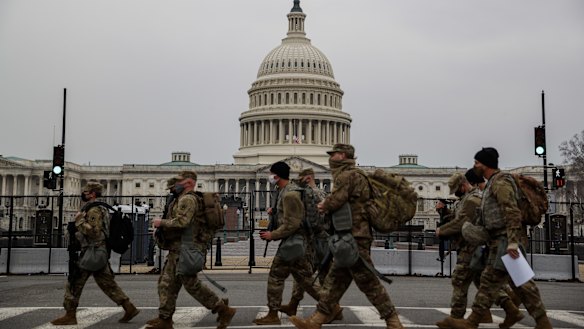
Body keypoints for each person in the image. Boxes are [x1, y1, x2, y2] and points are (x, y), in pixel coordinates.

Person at [290, 144, 403, 329]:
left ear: (342, 155)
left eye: (333, 154)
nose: (330, 157)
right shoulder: (359, 175)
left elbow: (337, 200)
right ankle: (316, 321)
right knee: (334, 282)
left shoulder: (345, 176)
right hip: (352, 236)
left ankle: (393, 321)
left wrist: (324, 205)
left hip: (354, 237)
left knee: (368, 282)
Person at [446, 148, 552, 329]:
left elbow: (511, 210)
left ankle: (472, 322)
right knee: (513, 284)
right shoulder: (492, 183)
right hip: (499, 240)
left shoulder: (501, 182)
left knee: (498, 283)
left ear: (485, 164)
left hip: (506, 241)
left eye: (477, 162)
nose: (474, 165)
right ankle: (541, 321)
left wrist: (512, 241)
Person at [148, 171, 236, 329]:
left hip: (187, 248)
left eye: (178, 182)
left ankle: (222, 309)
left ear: (188, 182)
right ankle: (165, 319)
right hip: (179, 248)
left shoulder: (188, 199)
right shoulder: (182, 199)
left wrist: (161, 223)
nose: (174, 186)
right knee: (166, 284)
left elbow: (183, 222)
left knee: (191, 284)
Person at [435, 170, 522, 328]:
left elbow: (461, 222)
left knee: (459, 281)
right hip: (471, 247)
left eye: (456, 190)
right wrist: (444, 212)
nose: (455, 194)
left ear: (463, 185)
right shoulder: (466, 199)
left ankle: (456, 318)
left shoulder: (473, 199)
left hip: (472, 248)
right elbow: (458, 217)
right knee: (484, 284)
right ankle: (510, 309)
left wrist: (442, 230)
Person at [51, 181, 140, 325]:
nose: (83, 194)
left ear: (92, 193)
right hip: (99, 251)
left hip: (92, 251)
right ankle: (128, 307)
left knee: (74, 282)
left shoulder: (93, 210)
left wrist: (79, 221)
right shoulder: (101, 208)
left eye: (85, 192)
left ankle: (70, 314)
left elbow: (94, 232)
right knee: (107, 283)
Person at [253, 162, 322, 325]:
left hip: (293, 241)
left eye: (271, 174)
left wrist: (272, 235)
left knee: (276, 276)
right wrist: (275, 212)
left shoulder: (290, 194)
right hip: (296, 241)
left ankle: (272, 314)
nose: (269, 176)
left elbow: (293, 223)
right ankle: (331, 305)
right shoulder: (285, 191)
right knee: (306, 280)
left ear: (276, 175)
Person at [280, 168, 341, 320]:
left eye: (299, 179)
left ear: (307, 179)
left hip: (318, 241)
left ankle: (332, 308)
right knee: (306, 274)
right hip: (320, 240)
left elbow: (317, 218)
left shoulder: (315, 195)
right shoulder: (318, 194)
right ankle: (294, 304)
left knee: (308, 275)